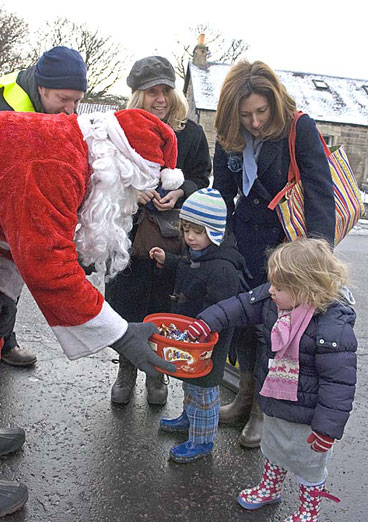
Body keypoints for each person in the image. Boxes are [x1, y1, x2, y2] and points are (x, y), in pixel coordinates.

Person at [0, 108, 179, 519]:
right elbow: (47, 263)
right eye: (132, 189)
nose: (131, 203)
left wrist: (2, 291)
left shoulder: (74, 155)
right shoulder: (53, 163)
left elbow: (22, 231)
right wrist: (121, 334)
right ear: (115, 164)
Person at [187, 238, 357, 522]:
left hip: (308, 416)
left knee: (308, 464)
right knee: (273, 447)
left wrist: (327, 430)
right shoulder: (274, 302)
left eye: (278, 286)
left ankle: (309, 510)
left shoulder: (333, 329)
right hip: (275, 398)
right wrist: (206, 322)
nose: (270, 290)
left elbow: (338, 385)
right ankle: (270, 489)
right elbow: (238, 306)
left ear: (306, 289)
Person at [212, 60, 336, 447]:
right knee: (244, 327)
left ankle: (264, 409)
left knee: (276, 332)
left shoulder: (300, 128)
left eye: (261, 112)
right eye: (246, 114)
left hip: (287, 247)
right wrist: (219, 241)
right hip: (244, 244)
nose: (254, 123)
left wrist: (314, 259)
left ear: (274, 103)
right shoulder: (230, 133)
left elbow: (319, 193)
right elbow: (222, 191)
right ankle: (244, 395)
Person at [0, 45, 88, 367]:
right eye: (63, 100)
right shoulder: (7, 113)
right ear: (42, 87)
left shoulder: (32, 91)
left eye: (76, 101)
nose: (69, 111)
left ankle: (4, 340)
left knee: (10, 270)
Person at [107, 56, 211, 406]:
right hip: (127, 234)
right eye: (152, 92)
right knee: (126, 303)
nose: (161, 99)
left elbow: (202, 177)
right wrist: (133, 192)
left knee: (164, 306)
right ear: (138, 95)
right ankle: (126, 369)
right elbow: (103, 175)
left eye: (166, 90)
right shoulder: (121, 127)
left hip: (173, 236)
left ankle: (157, 373)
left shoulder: (191, 133)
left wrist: (183, 191)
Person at [149, 188, 247, 463]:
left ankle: (202, 440)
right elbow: (187, 266)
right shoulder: (201, 253)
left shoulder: (223, 268)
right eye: (187, 229)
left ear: (214, 232)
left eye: (198, 231)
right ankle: (188, 418)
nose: (190, 237)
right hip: (191, 337)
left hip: (208, 344)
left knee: (204, 390)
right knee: (190, 383)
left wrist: (204, 329)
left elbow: (223, 309)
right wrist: (168, 261)